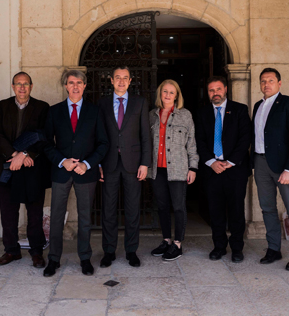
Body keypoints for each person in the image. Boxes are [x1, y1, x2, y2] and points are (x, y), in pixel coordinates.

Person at [42, 69, 108, 277]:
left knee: (85, 217)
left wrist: (87, 164)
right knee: (56, 217)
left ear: (85, 85)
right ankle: (53, 259)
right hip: (62, 171)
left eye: (79, 82)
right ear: (65, 86)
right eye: (71, 83)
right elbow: (46, 143)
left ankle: (85, 258)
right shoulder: (54, 111)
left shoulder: (94, 111)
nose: (75, 86)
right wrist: (63, 161)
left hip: (86, 173)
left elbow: (103, 143)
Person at [0, 72, 50, 268]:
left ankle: (36, 252)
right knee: (8, 212)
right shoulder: (2, 106)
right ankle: (11, 250)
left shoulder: (42, 108)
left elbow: (45, 137)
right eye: (19, 84)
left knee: (34, 213)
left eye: (26, 84)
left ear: (31, 86)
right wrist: (12, 156)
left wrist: (24, 155)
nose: (22, 88)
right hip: (7, 166)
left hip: (31, 167)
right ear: (13, 86)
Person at [252, 68, 289, 271]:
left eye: (271, 80)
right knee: (267, 208)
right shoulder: (258, 106)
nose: (267, 84)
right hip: (260, 164)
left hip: (283, 167)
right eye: (263, 81)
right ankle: (274, 249)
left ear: (279, 83)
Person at [98, 66, 151, 268]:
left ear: (130, 81)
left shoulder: (140, 102)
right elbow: (98, 136)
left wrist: (145, 163)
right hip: (109, 163)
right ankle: (108, 251)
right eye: (117, 78)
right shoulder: (102, 103)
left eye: (125, 78)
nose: (121, 81)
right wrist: (98, 164)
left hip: (133, 164)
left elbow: (145, 135)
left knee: (132, 209)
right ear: (111, 80)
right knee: (108, 210)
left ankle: (131, 251)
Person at [195, 76, 251, 263]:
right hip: (212, 170)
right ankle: (219, 246)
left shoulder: (240, 109)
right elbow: (199, 141)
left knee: (236, 209)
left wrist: (231, 162)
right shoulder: (202, 113)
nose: (215, 93)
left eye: (218, 89)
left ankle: (237, 248)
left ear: (225, 89)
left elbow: (245, 138)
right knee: (215, 210)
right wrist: (211, 162)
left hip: (235, 169)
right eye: (211, 90)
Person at [147, 79, 198, 261]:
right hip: (157, 170)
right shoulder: (152, 115)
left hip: (178, 169)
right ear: (160, 93)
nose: (167, 95)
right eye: (165, 91)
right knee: (162, 206)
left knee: (178, 206)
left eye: (171, 92)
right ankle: (166, 240)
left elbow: (191, 143)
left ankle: (177, 243)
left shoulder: (185, 115)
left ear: (177, 96)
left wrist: (193, 167)